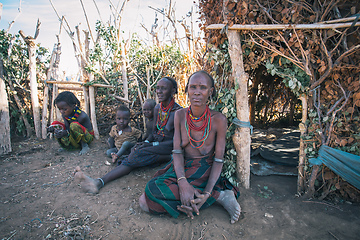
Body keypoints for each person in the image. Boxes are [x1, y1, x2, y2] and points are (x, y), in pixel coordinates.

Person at [138, 70, 241, 224]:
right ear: (187, 90)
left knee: (147, 203)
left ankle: (210, 195)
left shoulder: (219, 120)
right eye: (193, 87)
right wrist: (183, 183)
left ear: (210, 92)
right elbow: (177, 153)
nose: (197, 92)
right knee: (149, 193)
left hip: (205, 170)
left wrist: (206, 191)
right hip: (183, 167)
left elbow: (219, 160)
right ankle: (218, 196)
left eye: (202, 88)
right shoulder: (179, 115)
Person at [74, 77, 182, 194]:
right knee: (136, 150)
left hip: (168, 148)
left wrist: (150, 145)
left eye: (164, 88)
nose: (159, 92)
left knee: (137, 153)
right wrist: (145, 143)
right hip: (155, 145)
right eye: (158, 88)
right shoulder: (157, 108)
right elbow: (152, 133)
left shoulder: (178, 112)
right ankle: (99, 182)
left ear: (173, 91)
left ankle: (99, 182)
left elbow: (176, 142)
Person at [48, 91, 94, 156]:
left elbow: (72, 130)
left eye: (64, 109)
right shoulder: (65, 115)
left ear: (73, 106)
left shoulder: (82, 116)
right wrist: (55, 129)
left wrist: (65, 133)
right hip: (74, 138)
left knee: (74, 125)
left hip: (86, 138)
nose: (61, 111)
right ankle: (67, 147)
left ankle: (85, 146)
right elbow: (67, 128)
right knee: (56, 124)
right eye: (59, 109)